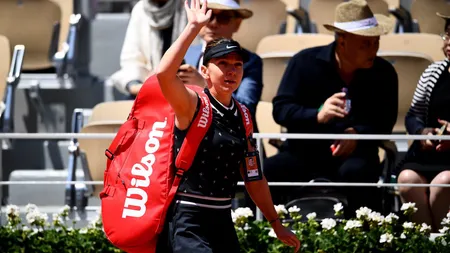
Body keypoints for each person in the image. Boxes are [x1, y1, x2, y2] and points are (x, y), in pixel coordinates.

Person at [154, 0, 300, 252]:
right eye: (222, 64)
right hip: (187, 218)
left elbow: (254, 176)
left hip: (222, 219)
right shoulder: (191, 103)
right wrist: (192, 27)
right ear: (204, 71)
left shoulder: (243, 114)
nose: (231, 71)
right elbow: (164, 74)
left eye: (237, 65)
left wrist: (275, 222)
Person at [264, 0, 398, 215]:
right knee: (269, 171)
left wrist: (357, 135)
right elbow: (281, 110)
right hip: (304, 152)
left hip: (357, 155)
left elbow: (385, 120)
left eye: (376, 42)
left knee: (359, 173)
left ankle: (364, 239)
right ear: (342, 41)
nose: (373, 50)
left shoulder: (384, 73)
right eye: (366, 44)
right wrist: (317, 115)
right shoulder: (304, 62)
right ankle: (268, 235)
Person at [396, 12, 450, 232]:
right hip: (428, 153)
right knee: (407, 180)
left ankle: (442, 242)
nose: (449, 43)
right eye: (447, 36)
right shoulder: (433, 72)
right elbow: (413, 116)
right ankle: (423, 242)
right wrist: (422, 131)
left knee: (444, 182)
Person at [181, 0, 263, 118]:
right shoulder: (185, 53)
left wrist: (205, 85)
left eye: (223, 17)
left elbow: (246, 108)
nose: (213, 23)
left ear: (237, 24)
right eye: (208, 15)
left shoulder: (250, 61)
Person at [108, 0, 187, 98]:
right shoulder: (140, 9)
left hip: (185, 86)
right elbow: (131, 60)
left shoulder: (189, 7)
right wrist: (136, 86)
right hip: (150, 86)